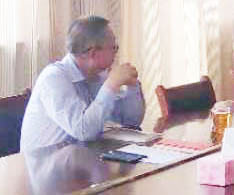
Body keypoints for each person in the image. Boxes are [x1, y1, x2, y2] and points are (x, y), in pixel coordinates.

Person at [21, 16, 146, 152]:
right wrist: (111, 85)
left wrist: (132, 86)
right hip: (46, 161)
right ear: (93, 53)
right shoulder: (53, 79)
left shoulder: (100, 75)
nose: (116, 53)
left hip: (79, 156)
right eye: (113, 48)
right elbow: (83, 131)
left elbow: (131, 122)